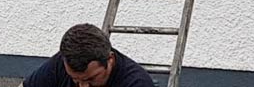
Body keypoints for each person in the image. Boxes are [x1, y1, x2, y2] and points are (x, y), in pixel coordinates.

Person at [21, 23, 155, 87]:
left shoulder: (137, 83)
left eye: (91, 79)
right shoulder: (63, 60)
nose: (83, 86)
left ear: (110, 60)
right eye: (75, 80)